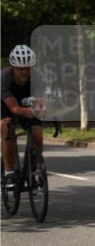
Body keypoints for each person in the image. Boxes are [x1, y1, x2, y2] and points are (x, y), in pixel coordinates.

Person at [2, 45, 44, 189]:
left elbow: (42, 101)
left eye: (27, 68)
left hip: (27, 102)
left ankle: (32, 171)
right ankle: (8, 172)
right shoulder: (4, 78)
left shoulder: (38, 77)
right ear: (13, 67)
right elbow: (14, 108)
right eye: (20, 68)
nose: (24, 72)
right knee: (7, 128)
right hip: (6, 104)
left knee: (37, 136)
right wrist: (33, 111)